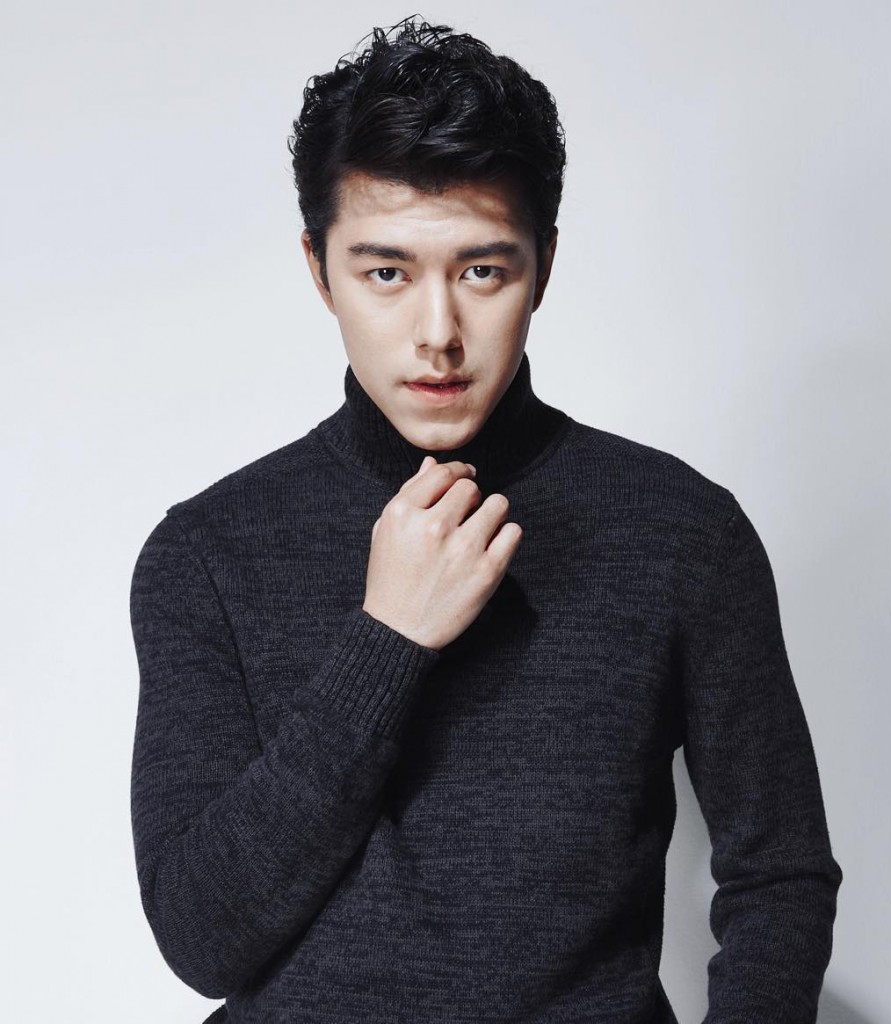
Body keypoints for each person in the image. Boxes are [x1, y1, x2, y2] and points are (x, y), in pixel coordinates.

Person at [129, 16, 842, 1024]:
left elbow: (778, 877)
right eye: (386, 273)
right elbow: (202, 939)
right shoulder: (206, 553)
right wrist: (387, 640)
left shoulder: (681, 533)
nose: (437, 334)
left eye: (481, 271)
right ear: (318, 269)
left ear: (541, 266)